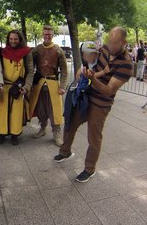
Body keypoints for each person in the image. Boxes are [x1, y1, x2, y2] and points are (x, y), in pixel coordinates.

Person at [55, 27, 133, 182]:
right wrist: (81, 67)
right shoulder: (104, 49)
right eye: (109, 41)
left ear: (124, 42)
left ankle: (89, 169)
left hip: (101, 103)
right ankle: (65, 151)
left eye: (114, 43)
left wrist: (92, 78)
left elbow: (108, 90)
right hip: (85, 96)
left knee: (94, 137)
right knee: (70, 123)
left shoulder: (126, 64)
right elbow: (89, 58)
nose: (110, 46)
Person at [29, 25, 67, 146]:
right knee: (41, 109)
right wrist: (29, 84)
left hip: (54, 84)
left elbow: (64, 71)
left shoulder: (58, 50)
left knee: (55, 110)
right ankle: (42, 128)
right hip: (39, 83)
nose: (47, 36)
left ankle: (56, 133)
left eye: (49, 34)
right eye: (45, 34)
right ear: (42, 35)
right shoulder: (36, 50)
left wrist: (62, 86)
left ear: (52, 35)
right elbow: (30, 67)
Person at [0, 30, 34, 145]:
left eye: (15, 39)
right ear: (8, 39)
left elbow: (30, 72)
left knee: (16, 112)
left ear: (20, 40)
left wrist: (26, 87)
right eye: (11, 39)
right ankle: (1, 133)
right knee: (2, 111)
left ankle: (14, 134)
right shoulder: (2, 52)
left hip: (18, 86)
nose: (13, 41)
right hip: (4, 86)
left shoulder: (26, 52)